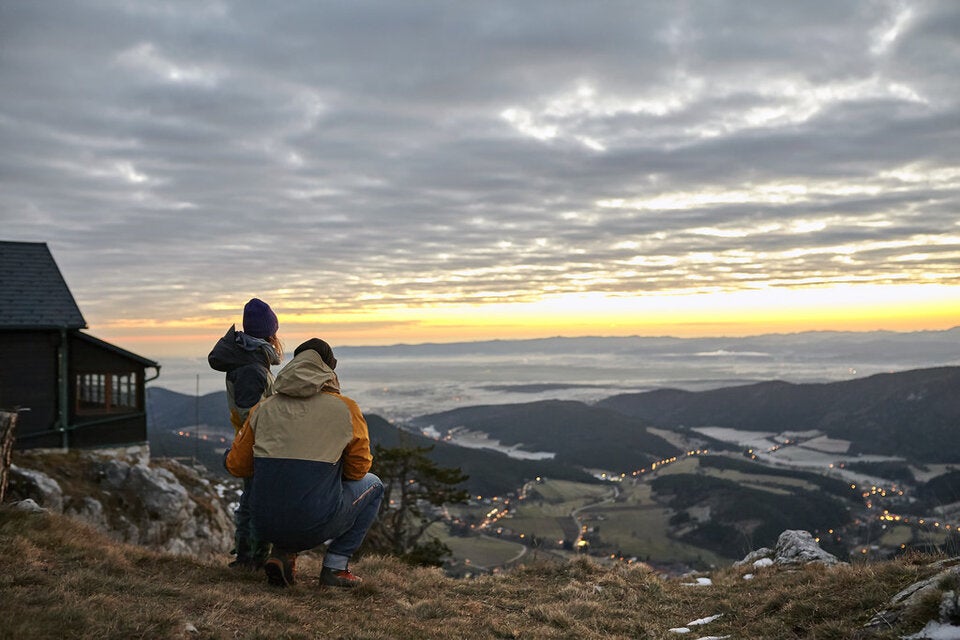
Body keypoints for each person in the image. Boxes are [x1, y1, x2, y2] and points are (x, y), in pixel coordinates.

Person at [224, 338, 383, 589]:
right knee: (374, 484)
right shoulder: (346, 410)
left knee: (286, 487)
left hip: (263, 522)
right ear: (330, 370)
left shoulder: (264, 408)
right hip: (312, 523)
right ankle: (336, 567)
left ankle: (282, 556)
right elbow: (358, 470)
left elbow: (237, 467)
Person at [208, 297, 282, 569]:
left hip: (253, 440)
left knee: (252, 498)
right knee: (256, 501)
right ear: (269, 333)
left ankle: (248, 557)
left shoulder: (251, 360)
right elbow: (248, 414)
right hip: (257, 443)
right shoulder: (252, 367)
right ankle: (251, 559)